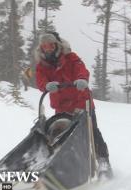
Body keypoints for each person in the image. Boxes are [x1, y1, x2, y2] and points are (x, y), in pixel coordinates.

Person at [35, 32, 112, 178]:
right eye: (45, 46)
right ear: (41, 49)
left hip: (81, 102)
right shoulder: (42, 66)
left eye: (51, 45)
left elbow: (81, 70)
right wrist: (46, 85)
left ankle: (103, 160)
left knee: (92, 131)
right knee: (60, 134)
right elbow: (40, 80)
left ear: (56, 45)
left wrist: (82, 79)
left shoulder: (71, 58)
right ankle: (61, 163)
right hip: (61, 106)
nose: (48, 49)